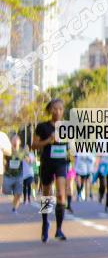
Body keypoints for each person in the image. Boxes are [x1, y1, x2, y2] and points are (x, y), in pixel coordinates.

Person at [32, 99, 72, 242]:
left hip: (61, 163)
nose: (58, 111)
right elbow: (34, 145)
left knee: (61, 195)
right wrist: (48, 140)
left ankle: (59, 230)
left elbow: (72, 146)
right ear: (50, 110)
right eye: (54, 108)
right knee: (47, 195)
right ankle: (45, 223)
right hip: (47, 163)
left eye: (60, 109)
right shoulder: (42, 127)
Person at [3, 134, 27, 212]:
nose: (15, 141)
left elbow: (27, 158)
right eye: (14, 140)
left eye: (17, 140)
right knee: (6, 191)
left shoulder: (22, 151)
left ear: (19, 142)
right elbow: (3, 158)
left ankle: (14, 207)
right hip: (8, 175)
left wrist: (29, 160)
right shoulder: (8, 150)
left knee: (19, 193)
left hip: (19, 175)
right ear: (11, 141)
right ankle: (12, 194)